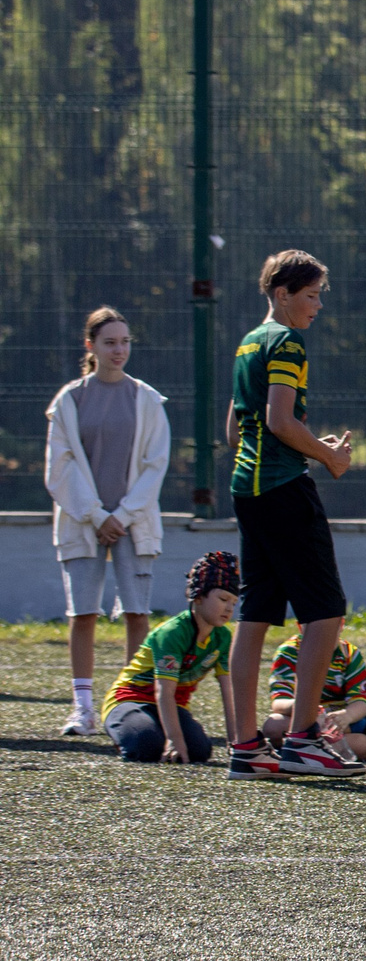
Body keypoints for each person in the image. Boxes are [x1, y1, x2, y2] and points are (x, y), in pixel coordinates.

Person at [222, 250, 361, 780]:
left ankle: (244, 746)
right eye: (311, 295)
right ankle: (304, 740)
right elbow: (281, 421)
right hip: (282, 490)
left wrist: (304, 444)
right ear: (282, 293)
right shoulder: (286, 341)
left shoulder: (247, 344)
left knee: (254, 615)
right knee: (325, 613)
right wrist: (327, 455)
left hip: (247, 489)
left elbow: (237, 433)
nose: (318, 306)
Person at [46, 306, 171, 739]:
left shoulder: (147, 399)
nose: (119, 350)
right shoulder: (70, 399)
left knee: (137, 612)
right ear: (91, 347)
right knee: (83, 613)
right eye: (110, 342)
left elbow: (156, 466)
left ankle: (129, 705)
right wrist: (97, 515)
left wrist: (121, 516)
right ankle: (82, 709)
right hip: (83, 523)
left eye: (125, 341)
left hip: (133, 524)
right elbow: (59, 467)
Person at [103, 552, 238, 765]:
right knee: (146, 747)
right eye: (223, 599)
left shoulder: (223, 637)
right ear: (199, 597)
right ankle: (126, 733)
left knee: (199, 752)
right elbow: (163, 692)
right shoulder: (172, 632)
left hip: (172, 707)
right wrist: (175, 741)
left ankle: (154, 732)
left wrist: (236, 739)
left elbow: (228, 690)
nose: (229, 608)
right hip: (131, 699)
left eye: (233, 602)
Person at [261, 630, 366, 763]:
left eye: (329, 624)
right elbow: (279, 702)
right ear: (300, 625)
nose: (322, 633)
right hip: (301, 719)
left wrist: (347, 716)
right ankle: (365, 726)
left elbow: (360, 701)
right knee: (273, 726)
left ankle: (363, 724)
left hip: (336, 723)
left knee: (363, 745)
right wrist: (304, 708)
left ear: (341, 624)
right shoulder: (289, 652)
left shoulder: (348, 654)